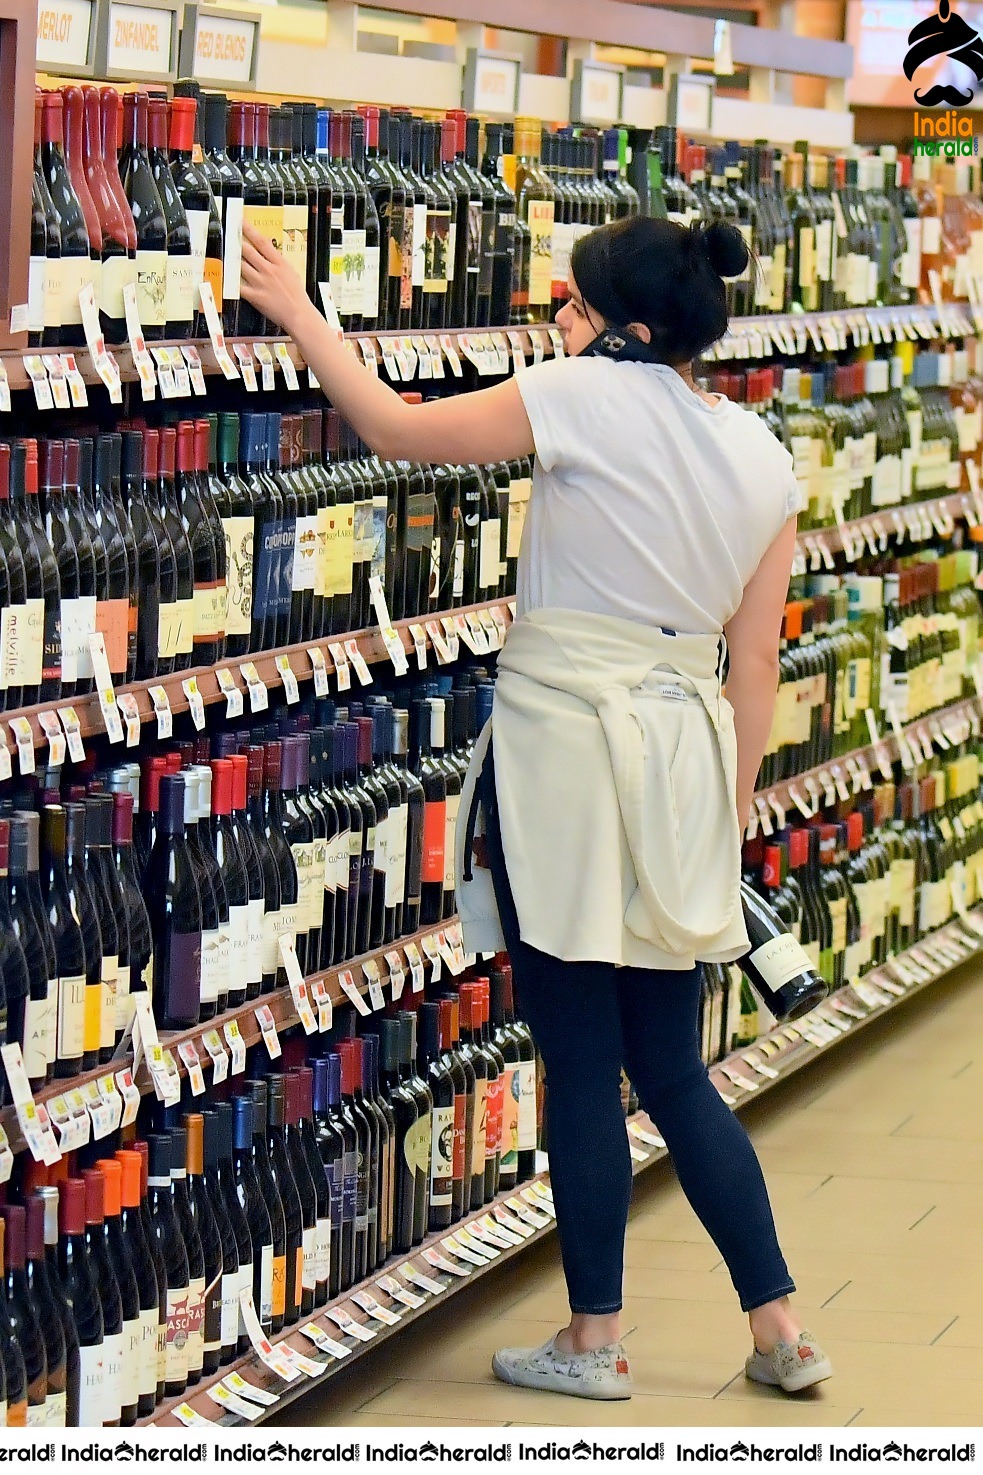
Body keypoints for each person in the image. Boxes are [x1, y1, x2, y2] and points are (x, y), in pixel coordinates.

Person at [240, 212, 833, 1404]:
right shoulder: (764, 454)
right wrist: (724, 816)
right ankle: (779, 1326)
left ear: (619, 322)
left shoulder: (575, 394)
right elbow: (753, 666)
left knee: (575, 1060)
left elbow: (395, 430)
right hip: (681, 755)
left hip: (563, 753)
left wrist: (302, 311)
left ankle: (592, 1338)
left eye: (573, 300)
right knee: (671, 1067)